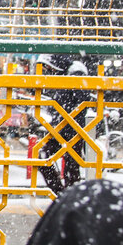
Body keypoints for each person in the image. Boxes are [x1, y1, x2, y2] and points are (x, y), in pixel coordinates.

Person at [36, 54, 89, 196]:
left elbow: (81, 102)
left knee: (71, 167)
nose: (48, 70)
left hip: (73, 130)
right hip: (60, 129)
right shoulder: (62, 75)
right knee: (43, 158)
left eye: (48, 66)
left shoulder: (74, 73)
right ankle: (63, 195)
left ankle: (69, 197)